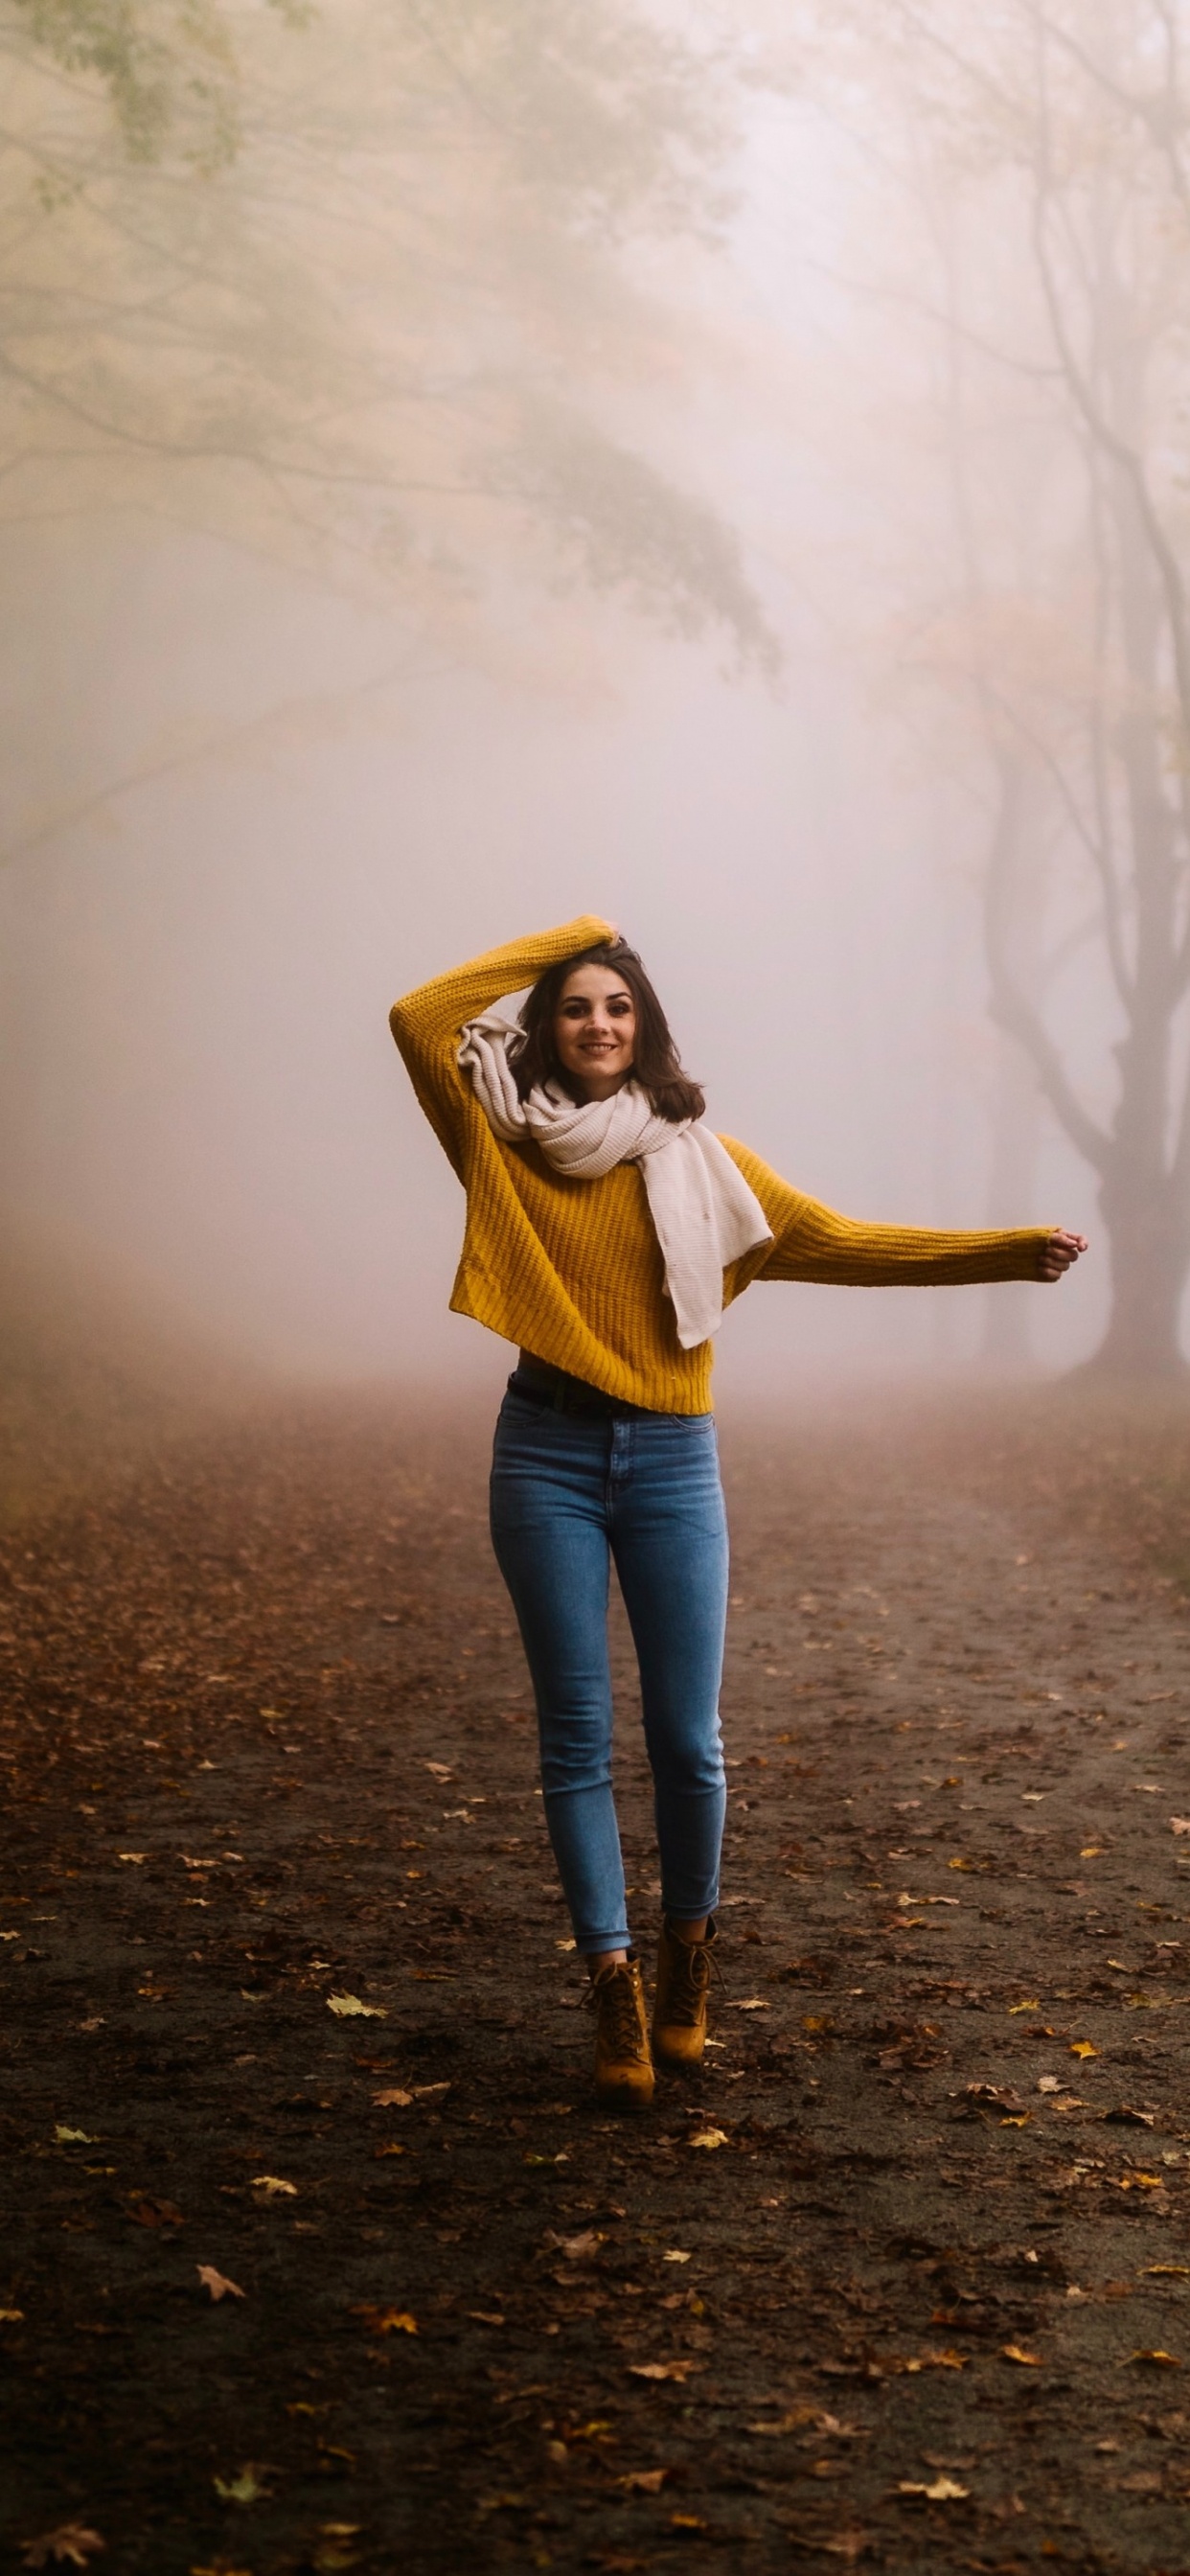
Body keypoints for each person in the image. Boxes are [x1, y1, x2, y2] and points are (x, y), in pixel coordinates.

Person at [390, 915, 1087, 2109]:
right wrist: (584, 932)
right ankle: (608, 1978)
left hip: (671, 1459)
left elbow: (838, 1240)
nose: (598, 1023)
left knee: (688, 1741)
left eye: (618, 1005)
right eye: (574, 1006)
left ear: (647, 1028)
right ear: (545, 1028)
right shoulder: (499, 1137)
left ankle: (686, 1951)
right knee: (575, 1736)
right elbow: (420, 1015)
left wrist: (1009, 1251)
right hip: (543, 1450)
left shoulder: (702, 1162)